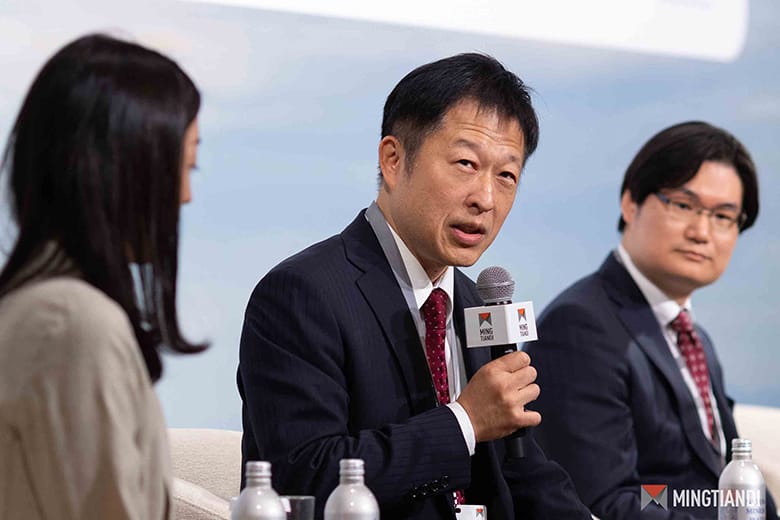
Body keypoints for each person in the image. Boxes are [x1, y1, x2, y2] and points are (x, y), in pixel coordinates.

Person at [238, 53, 591, 520]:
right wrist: (465, 422)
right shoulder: (302, 294)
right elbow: (305, 479)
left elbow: (521, 471)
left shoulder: (475, 303)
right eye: (466, 163)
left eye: (506, 175)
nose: (485, 199)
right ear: (393, 159)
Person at [525, 121, 778, 519]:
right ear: (631, 203)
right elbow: (602, 496)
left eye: (723, 216)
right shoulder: (578, 326)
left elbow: (726, 477)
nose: (701, 232)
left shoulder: (696, 339)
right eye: (683, 206)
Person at [0, 34, 204, 519]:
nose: (186, 196)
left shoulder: (39, 308)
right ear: (127, 168)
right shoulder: (72, 323)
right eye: (184, 168)